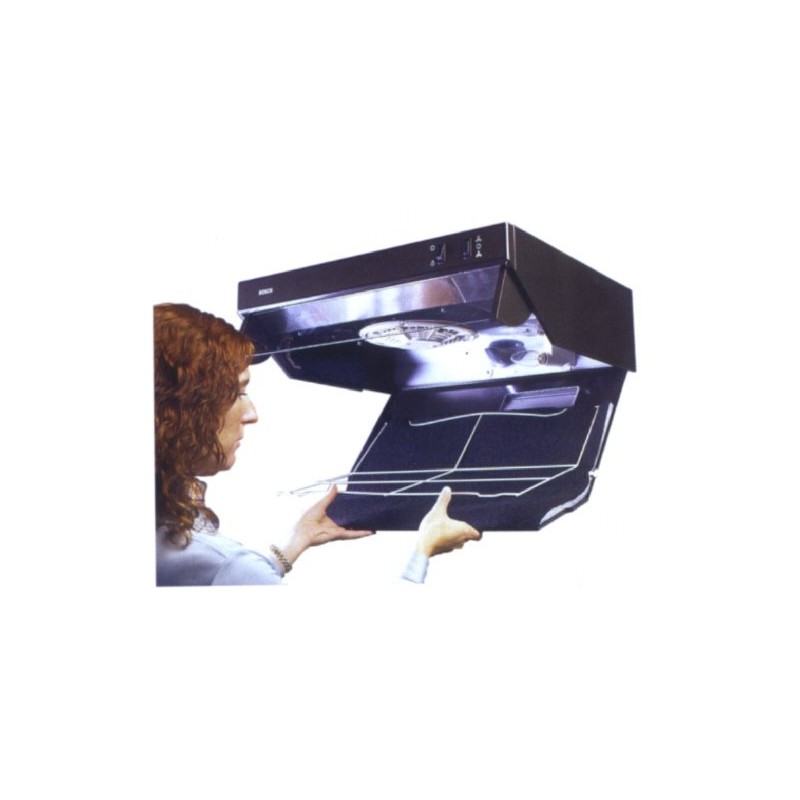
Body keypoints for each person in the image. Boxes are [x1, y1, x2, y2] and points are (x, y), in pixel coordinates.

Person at [154, 303, 481, 586]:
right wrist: (424, 549)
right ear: (183, 409)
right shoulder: (224, 564)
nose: (251, 414)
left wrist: (298, 539)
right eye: (237, 393)